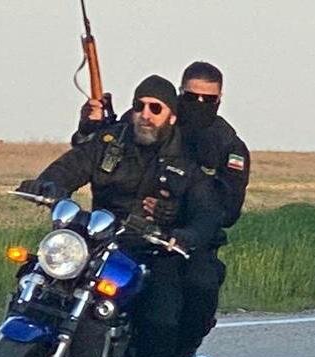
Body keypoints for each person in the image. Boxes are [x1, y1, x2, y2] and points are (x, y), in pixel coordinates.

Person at [16, 75, 224, 357]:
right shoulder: (111, 142)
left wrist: (186, 234)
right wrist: (48, 185)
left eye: (155, 109)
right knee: (38, 273)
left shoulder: (187, 159)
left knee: (160, 318)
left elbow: (207, 210)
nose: (146, 114)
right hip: (102, 240)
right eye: (140, 106)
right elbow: (72, 164)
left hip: (153, 250)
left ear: (171, 116)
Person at [74, 61, 250, 235]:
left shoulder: (227, 145)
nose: (199, 102)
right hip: (119, 227)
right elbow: (99, 154)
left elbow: (228, 212)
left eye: (208, 99)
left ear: (219, 99)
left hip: (186, 241)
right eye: (191, 97)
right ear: (181, 92)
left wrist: (179, 211)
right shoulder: (152, 118)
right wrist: (88, 130)